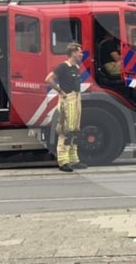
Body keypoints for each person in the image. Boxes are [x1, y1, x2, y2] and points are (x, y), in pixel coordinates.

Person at [45, 42, 88, 172]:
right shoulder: (63, 66)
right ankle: (63, 161)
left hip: (76, 99)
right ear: (73, 53)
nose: (81, 54)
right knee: (65, 130)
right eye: (79, 51)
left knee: (75, 129)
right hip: (67, 99)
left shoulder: (75, 67)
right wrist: (61, 91)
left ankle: (73, 159)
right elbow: (49, 79)